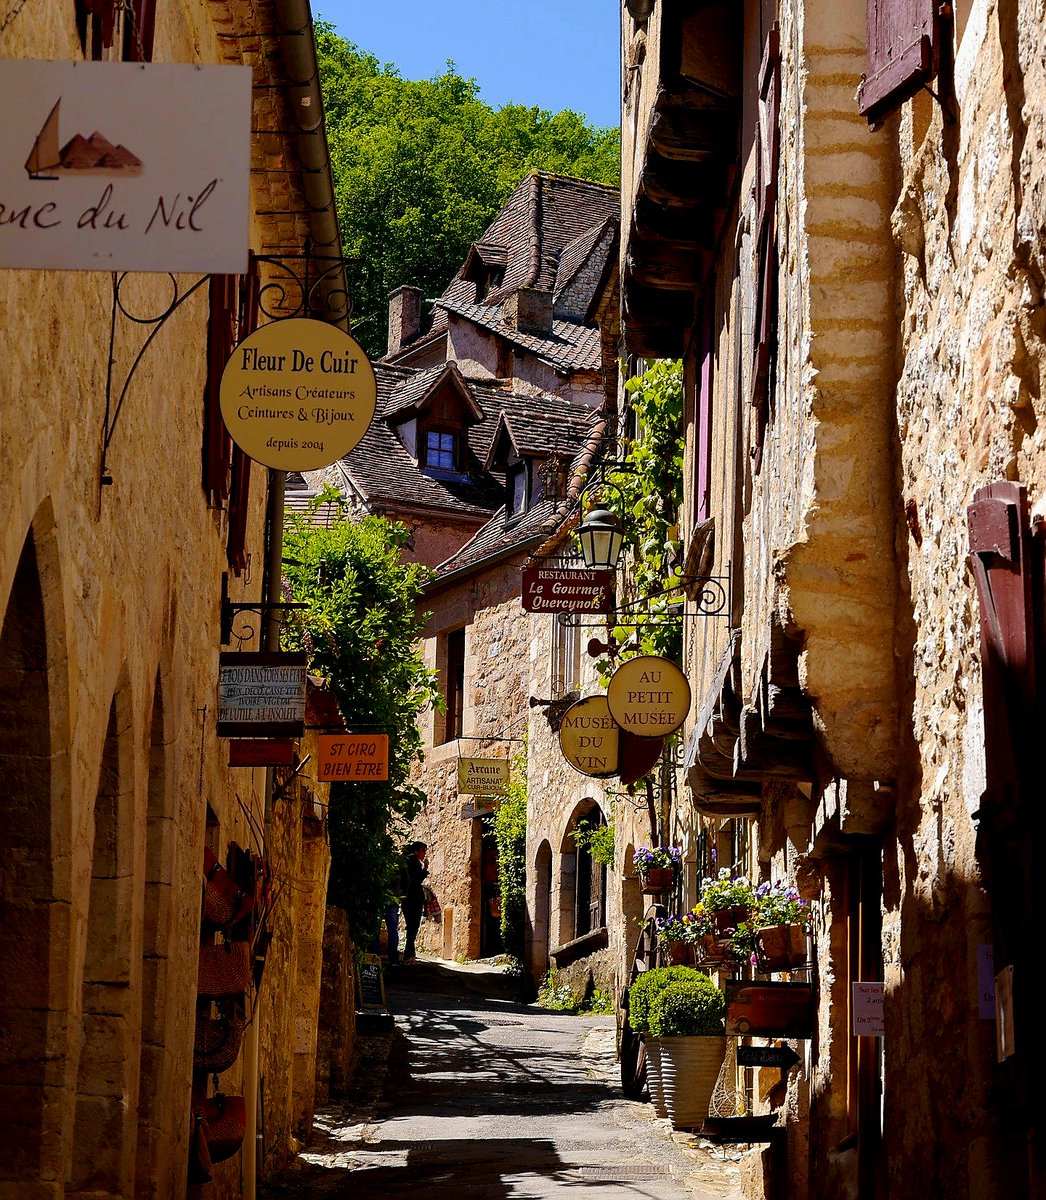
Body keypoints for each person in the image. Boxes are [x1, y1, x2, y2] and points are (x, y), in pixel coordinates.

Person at [401, 841, 429, 963]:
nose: (424, 854)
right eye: (424, 851)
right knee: (414, 926)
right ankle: (409, 954)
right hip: (415, 898)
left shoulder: (406, 861)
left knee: (410, 925)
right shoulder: (414, 862)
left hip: (406, 898)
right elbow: (417, 878)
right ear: (417, 851)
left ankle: (410, 954)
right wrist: (425, 868)